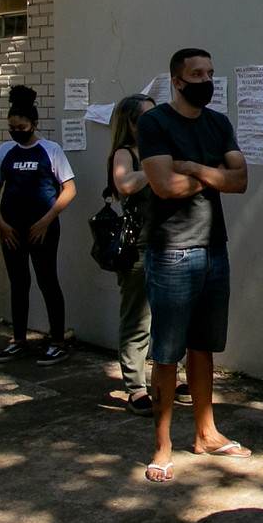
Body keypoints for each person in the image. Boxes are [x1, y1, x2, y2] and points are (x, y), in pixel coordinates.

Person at [138, 47, 251, 481]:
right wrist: (210, 174)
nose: (207, 80)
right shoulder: (155, 123)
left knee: (204, 347)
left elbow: (240, 181)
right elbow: (164, 186)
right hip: (172, 251)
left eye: (211, 72)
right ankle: (163, 445)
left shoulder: (218, 123)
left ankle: (206, 433)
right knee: (167, 351)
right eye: (197, 73)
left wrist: (191, 167)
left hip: (213, 247)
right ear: (177, 80)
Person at [0, 86, 76, 362]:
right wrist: (0, 223)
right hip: (11, 229)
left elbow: (69, 189)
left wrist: (46, 220)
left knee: (47, 280)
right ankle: (19, 339)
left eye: (22, 127)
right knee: (19, 282)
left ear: (34, 124)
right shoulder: (5, 151)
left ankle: (57, 339)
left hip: (43, 228)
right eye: (12, 127)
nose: (17, 131)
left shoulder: (50, 150)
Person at [106, 94, 157, 413]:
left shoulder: (160, 148)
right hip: (139, 244)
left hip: (169, 242)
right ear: (131, 123)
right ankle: (136, 386)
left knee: (170, 315)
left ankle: (170, 374)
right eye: (147, 118)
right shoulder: (126, 153)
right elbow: (125, 184)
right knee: (138, 318)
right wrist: (157, 168)